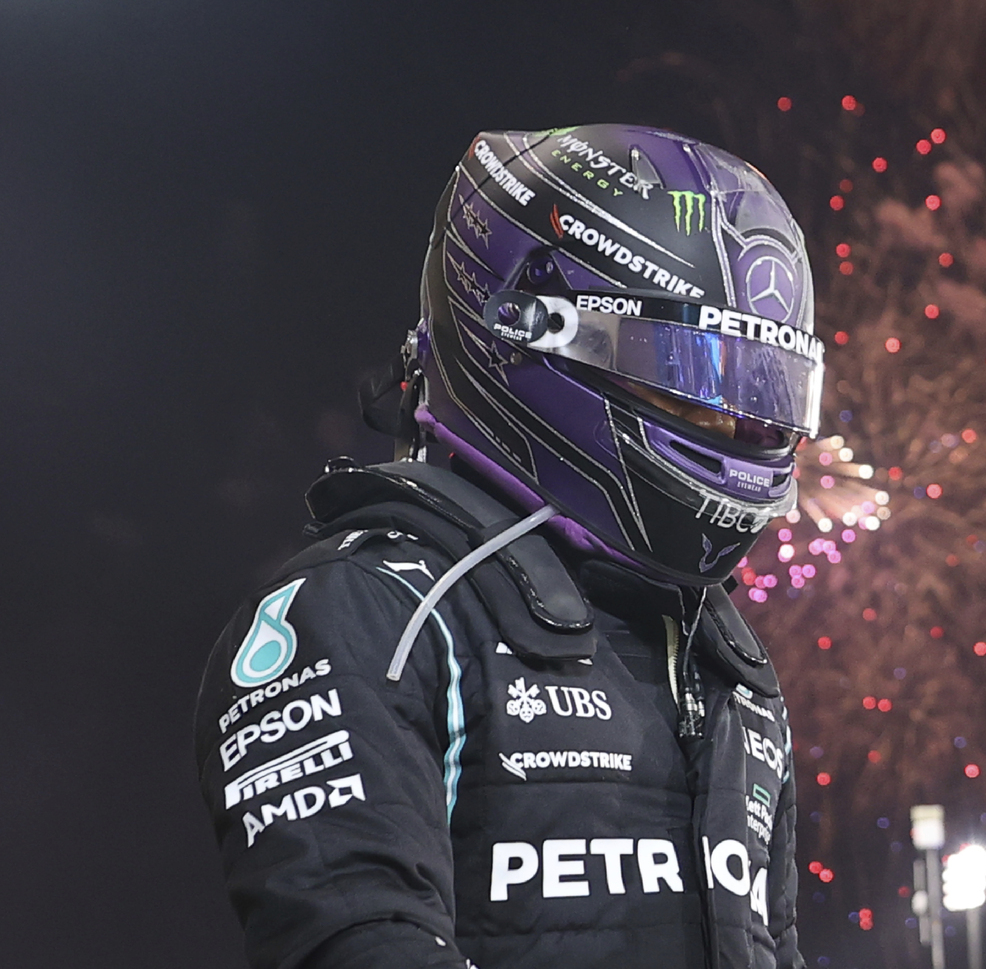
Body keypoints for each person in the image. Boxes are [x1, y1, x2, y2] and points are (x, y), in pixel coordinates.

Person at [194, 124, 819, 969]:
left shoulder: (724, 657)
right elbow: (358, 943)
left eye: (762, 391)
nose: (738, 425)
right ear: (525, 328)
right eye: (692, 376)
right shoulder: (365, 613)